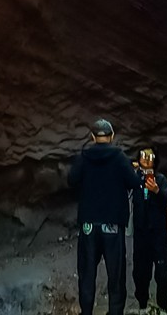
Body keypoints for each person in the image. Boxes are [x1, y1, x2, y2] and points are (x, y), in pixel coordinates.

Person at [68, 118, 137, 315]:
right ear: (112, 136)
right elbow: (133, 182)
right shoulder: (120, 157)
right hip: (112, 226)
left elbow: (71, 179)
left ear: (92, 137)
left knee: (87, 273)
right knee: (116, 275)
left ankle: (87, 312)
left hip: (89, 225)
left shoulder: (84, 156)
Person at [130, 146, 167, 314]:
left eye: (150, 157)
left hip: (158, 235)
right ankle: (142, 305)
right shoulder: (134, 179)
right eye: (143, 157)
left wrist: (156, 191)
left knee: (161, 273)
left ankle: (162, 306)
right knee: (140, 272)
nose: (146, 160)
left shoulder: (160, 179)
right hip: (140, 234)